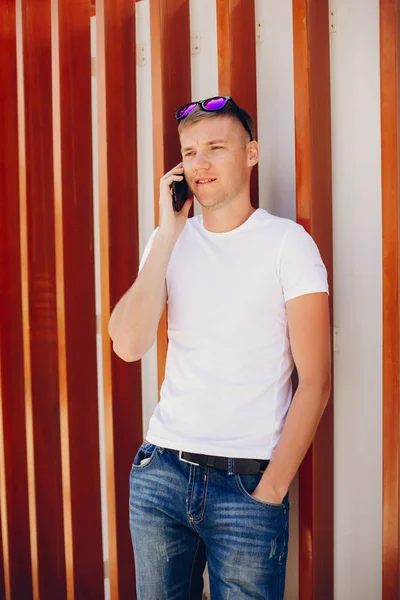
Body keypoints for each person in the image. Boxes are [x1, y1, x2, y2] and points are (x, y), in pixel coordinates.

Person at [108, 96, 331, 600]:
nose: (199, 163)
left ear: (251, 154)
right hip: (161, 475)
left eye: (215, 148)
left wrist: (270, 490)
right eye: (188, 152)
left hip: (247, 487)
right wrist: (168, 233)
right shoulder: (168, 240)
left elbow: (315, 381)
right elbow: (126, 344)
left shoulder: (287, 244)